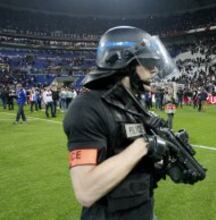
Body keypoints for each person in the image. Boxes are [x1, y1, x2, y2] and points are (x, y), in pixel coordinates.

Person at [63, 26, 178, 220]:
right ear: (123, 61)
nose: (155, 69)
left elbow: (131, 164)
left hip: (144, 211)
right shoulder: (86, 108)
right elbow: (86, 191)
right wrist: (145, 144)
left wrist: (163, 161)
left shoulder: (132, 105)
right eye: (149, 61)